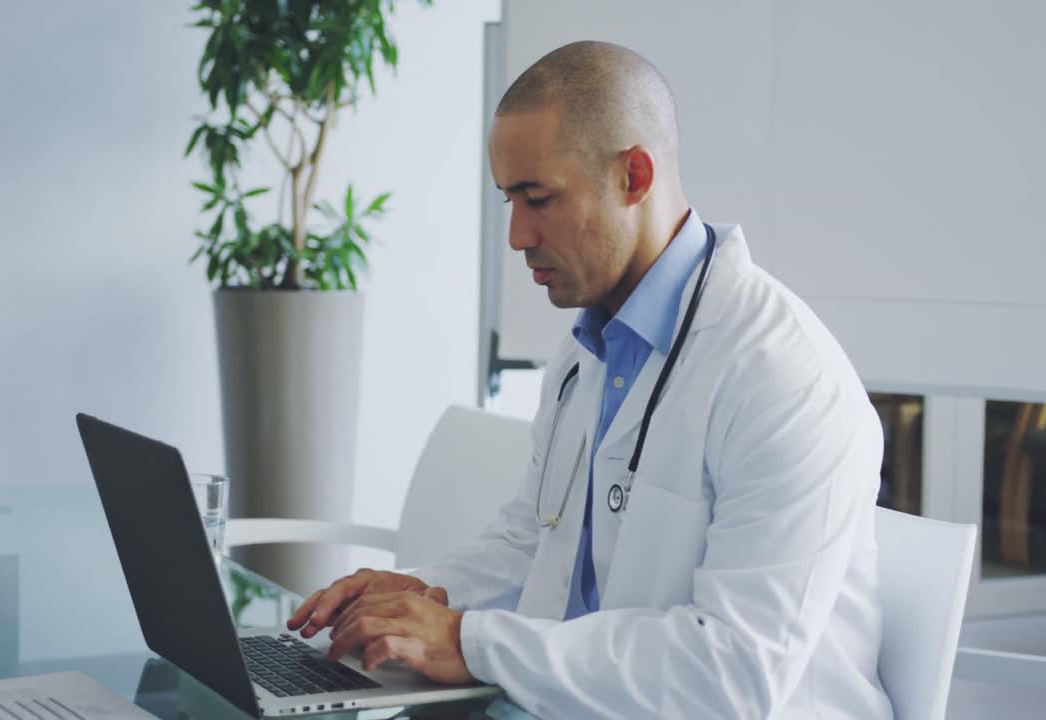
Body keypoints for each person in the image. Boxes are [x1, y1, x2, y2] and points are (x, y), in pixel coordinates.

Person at [287, 40, 893, 719]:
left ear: (634, 176)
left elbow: (734, 679)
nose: (517, 235)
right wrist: (420, 596)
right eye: (508, 199)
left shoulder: (785, 379)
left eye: (537, 197)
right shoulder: (589, 351)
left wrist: (471, 641)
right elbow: (533, 538)